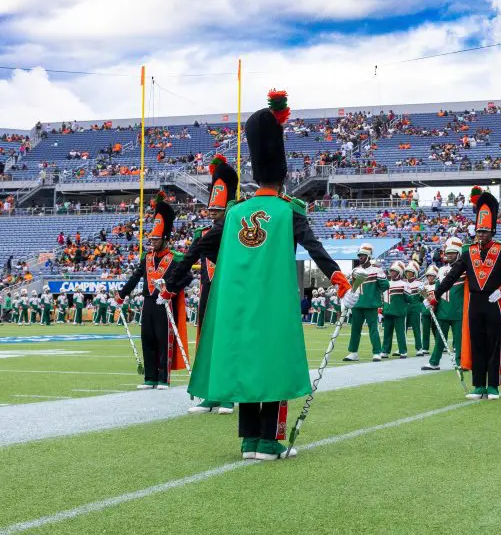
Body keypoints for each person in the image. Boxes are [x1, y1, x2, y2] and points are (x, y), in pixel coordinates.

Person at [163, 89, 355, 460]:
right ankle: (269, 440)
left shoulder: (235, 212)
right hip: (274, 302)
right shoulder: (289, 210)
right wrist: (338, 279)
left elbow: (198, 247)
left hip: (236, 303)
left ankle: (249, 440)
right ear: (282, 177)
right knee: (277, 366)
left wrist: (172, 283)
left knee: (247, 365)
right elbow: (315, 249)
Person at [429, 188, 501, 400]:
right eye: (479, 231)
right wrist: (436, 294)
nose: (481, 235)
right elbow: (452, 276)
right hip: (475, 301)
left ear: (492, 231)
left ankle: (492, 386)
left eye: (485, 231)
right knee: (477, 343)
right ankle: (478, 386)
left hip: (495, 301)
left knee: (494, 343)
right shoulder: (468, 251)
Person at [168, 153, 239, 415]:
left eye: (219, 211)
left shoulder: (235, 231)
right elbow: (190, 260)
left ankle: (229, 395)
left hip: (231, 294)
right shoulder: (202, 234)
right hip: (209, 296)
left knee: (229, 344)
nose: (214, 215)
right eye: (212, 211)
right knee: (207, 346)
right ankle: (209, 394)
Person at [116, 192, 189, 390]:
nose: (152, 242)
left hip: (165, 303)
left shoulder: (176, 258)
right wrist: (122, 294)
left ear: (165, 238)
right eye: (151, 239)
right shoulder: (147, 257)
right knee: (147, 338)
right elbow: (136, 277)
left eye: (155, 239)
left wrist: (171, 290)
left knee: (164, 339)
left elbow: (187, 277)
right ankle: (150, 377)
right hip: (148, 302)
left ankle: (163, 378)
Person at [423, 238, 465, 371]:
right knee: (440, 339)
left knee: (460, 340)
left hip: (459, 310)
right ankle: (434, 362)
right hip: (442, 310)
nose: (450, 255)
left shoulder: (466, 270)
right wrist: (430, 300)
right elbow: (437, 289)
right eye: (448, 253)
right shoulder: (441, 270)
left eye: (453, 252)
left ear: (459, 253)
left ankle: (461, 362)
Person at [343, 243, 387, 362]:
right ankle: (353, 352)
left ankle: (377, 352)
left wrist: (374, 294)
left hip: (371, 304)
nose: (360, 258)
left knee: (373, 328)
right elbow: (351, 286)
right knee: (355, 329)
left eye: (362, 256)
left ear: (368, 257)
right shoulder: (355, 270)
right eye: (359, 256)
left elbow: (385, 285)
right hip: (357, 304)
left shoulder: (377, 270)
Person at [381, 261, 409, 359]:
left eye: (394, 271)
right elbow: (383, 298)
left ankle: (403, 351)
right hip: (387, 312)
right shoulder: (386, 283)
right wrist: (383, 309)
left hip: (399, 313)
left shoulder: (404, 284)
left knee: (400, 333)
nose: (391, 273)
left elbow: (408, 299)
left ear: (399, 273)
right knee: (387, 333)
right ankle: (385, 351)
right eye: (391, 271)